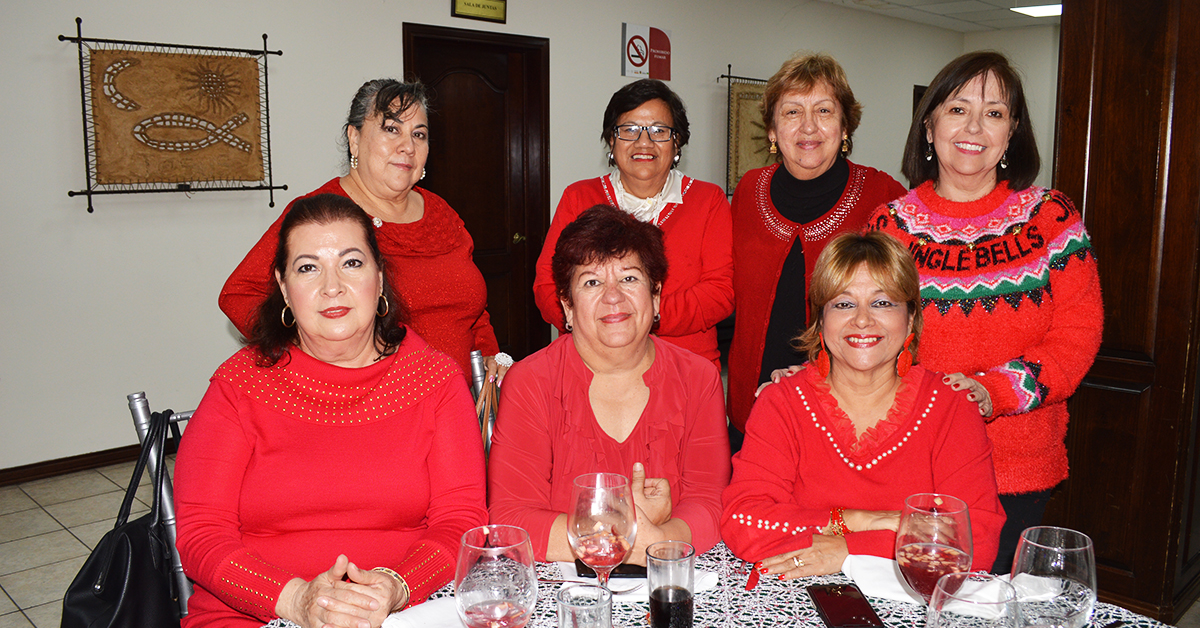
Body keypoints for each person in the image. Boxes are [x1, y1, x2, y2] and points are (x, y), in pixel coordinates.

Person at [175, 195, 488, 628]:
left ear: (379, 278)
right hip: (254, 614)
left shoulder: (434, 381)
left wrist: (396, 586)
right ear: (284, 289)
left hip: (405, 612)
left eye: (351, 263)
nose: (332, 286)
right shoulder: (238, 386)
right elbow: (202, 535)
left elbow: (461, 521)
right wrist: (295, 600)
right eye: (308, 268)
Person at [868, 51, 1103, 572]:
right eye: (957, 109)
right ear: (929, 126)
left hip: (1017, 469)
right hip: (913, 460)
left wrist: (991, 391)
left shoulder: (1050, 219)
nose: (975, 126)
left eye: (994, 113)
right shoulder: (890, 226)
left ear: (1012, 132)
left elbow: (1078, 335)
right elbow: (868, 333)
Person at [722, 231, 1004, 577]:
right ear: (821, 321)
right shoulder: (781, 401)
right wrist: (863, 521)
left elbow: (976, 543)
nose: (862, 319)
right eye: (843, 303)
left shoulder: (951, 408)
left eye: (883, 302)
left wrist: (846, 551)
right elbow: (744, 523)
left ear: (911, 319)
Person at [219, 79, 509, 381]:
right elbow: (239, 294)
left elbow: (473, 308)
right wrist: (304, 355)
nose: (407, 146)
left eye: (419, 134)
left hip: (457, 403)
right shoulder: (318, 215)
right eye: (391, 129)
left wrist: (489, 354)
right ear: (354, 138)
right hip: (369, 407)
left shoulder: (442, 214)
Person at [490, 205, 731, 564]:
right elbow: (511, 519)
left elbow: (710, 504)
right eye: (591, 282)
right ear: (567, 307)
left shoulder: (699, 379)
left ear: (656, 295)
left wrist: (660, 540)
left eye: (630, 278)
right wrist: (627, 531)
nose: (613, 296)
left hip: (667, 582)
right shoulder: (530, 383)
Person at [727, 54, 907, 448]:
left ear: (845, 126)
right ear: (773, 130)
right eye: (792, 111)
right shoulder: (747, 192)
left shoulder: (884, 197)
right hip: (753, 411)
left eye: (824, 110)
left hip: (848, 414)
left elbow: (907, 310)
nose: (808, 126)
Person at [533, 79, 732, 370]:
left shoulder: (708, 200)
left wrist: (635, 317)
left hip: (685, 367)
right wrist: (604, 327)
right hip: (591, 365)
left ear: (677, 142)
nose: (644, 143)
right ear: (611, 141)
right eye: (629, 130)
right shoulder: (579, 197)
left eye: (659, 131)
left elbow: (720, 292)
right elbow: (547, 285)